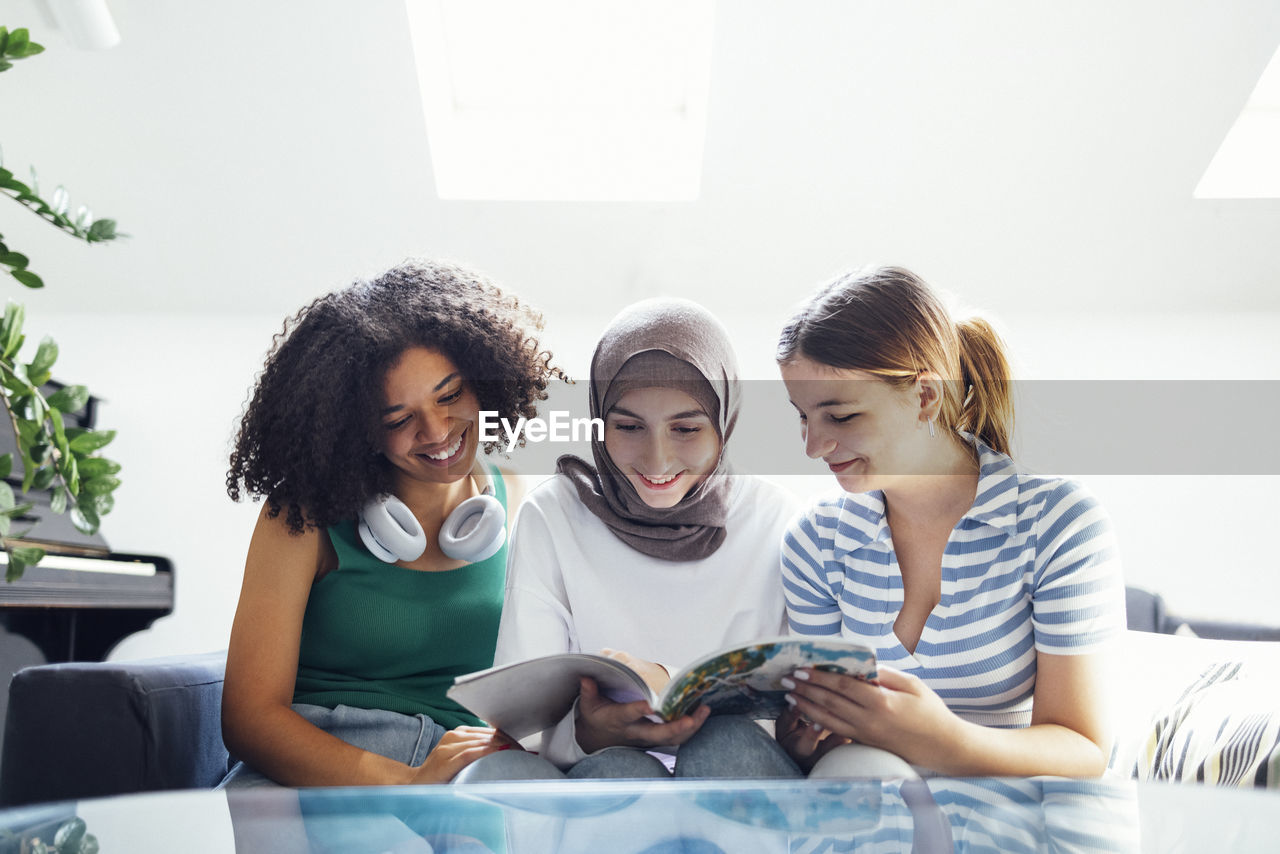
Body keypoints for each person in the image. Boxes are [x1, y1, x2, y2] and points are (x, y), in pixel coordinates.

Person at [219, 258, 563, 787]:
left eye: (450, 395)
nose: (437, 431)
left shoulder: (520, 498)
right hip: (321, 765)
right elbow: (249, 720)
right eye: (397, 420)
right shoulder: (303, 515)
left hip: (465, 773)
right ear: (355, 430)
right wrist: (406, 782)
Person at [774, 265, 1125, 779]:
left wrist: (942, 740)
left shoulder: (1059, 524)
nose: (812, 447)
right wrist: (804, 740)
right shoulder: (815, 541)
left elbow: (1085, 749)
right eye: (802, 416)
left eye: (841, 416)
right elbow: (822, 743)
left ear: (924, 396)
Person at [457, 297, 801, 780]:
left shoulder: (775, 520)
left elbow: (791, 707)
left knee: (725, 743)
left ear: (725, 423)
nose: (657, 461)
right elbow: (522, 725)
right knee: (619, 768)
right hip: (600, 775)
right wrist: (591, 733)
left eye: (686, 428)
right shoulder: (552, 515)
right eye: (628, 426)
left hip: (733, 772)